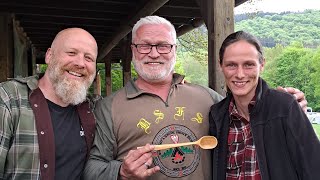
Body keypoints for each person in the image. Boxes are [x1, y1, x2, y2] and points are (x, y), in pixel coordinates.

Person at [83, 16, 308, 180]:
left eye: (163, 46)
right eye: (144, 46)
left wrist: (285, 103)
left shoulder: (207, 97)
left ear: (174, 50)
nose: (153, 53)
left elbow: (247, 118)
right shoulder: (109, 106)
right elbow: (90, 168)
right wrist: (121, 172)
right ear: (133, 50)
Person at [209, 31, 320, 180]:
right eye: (231, 65)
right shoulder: (217, 116)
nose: (240, 74)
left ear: (262, 65)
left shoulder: (284, 107)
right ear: (220, 66)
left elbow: (313, 168)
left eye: (249, 65)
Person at [0, 28, 98, 180]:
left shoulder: (93, 108)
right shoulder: (9, 99)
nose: (80, 63)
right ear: (49, 56)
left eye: (89, 58)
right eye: (71, 53)